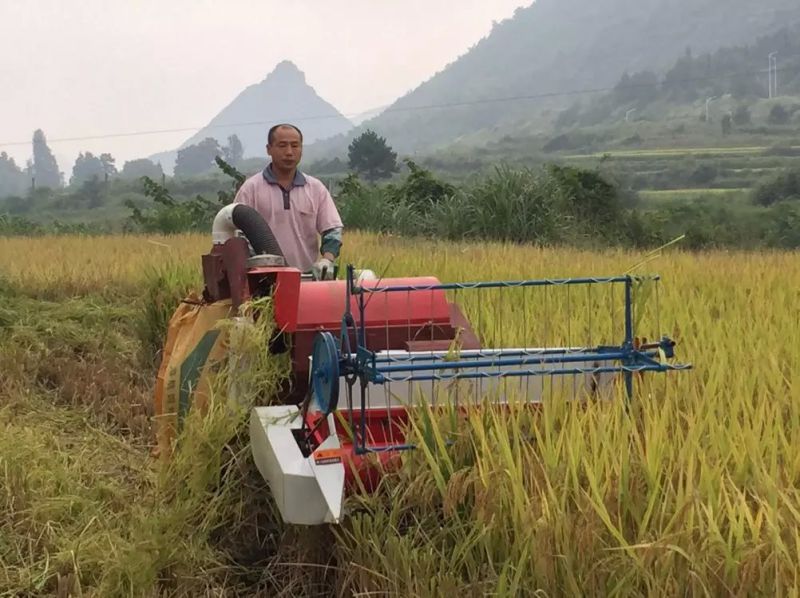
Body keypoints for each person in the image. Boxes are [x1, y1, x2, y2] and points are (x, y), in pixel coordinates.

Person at [233, 123, 343, 280]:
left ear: (301, 149)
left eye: (295, 145)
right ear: (269, 149)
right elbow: (237, 236)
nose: (289, 152)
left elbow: (332, 230)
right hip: (262, 282)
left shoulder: (315, 189)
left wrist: (327, 260)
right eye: (282, 145)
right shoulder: (251, 189)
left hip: (306, 280)